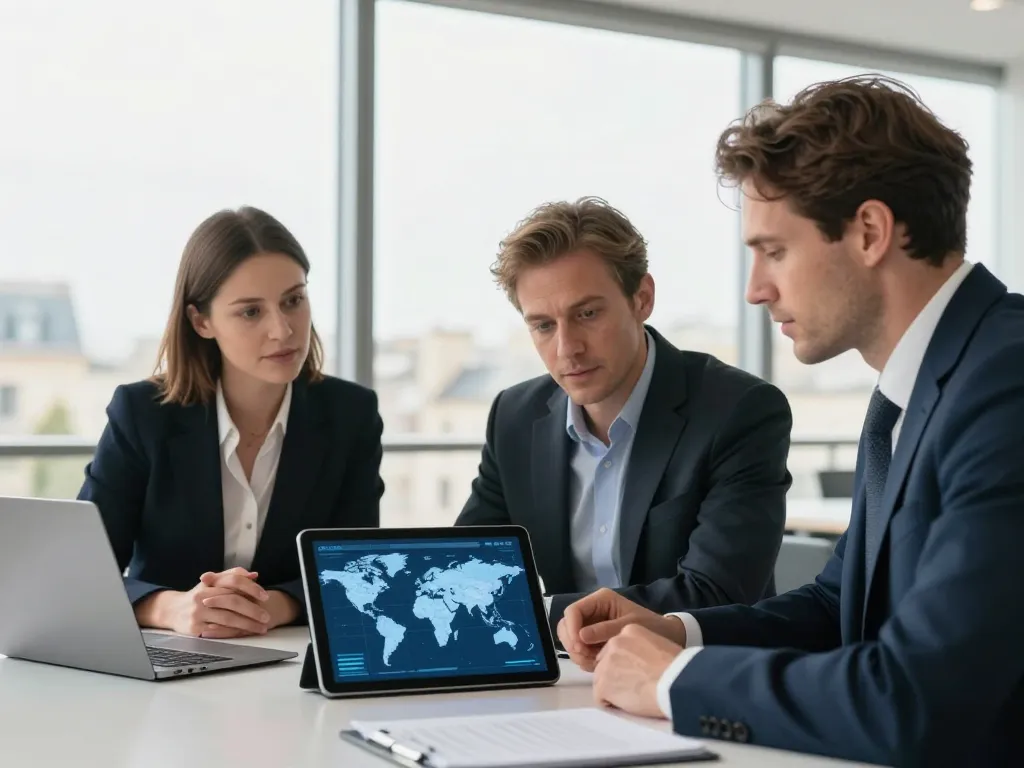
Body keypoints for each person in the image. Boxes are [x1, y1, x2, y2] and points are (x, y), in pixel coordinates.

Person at [557, 76, 1024, 766]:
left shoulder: (1004, 385)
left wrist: (673, 682)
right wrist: (676, 633)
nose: (755, 289)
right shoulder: (919, 384)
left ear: (869, 231)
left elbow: (921, 697)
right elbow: (839, 607)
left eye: (773, 250)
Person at [455, 197, 793, 629]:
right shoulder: (515, 417)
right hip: (561, 678)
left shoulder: (738, 411)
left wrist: (535, 612)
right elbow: (463, 572)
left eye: (588, 313)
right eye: (543, 325)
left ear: (642, 298)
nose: (567, 348)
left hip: (689, 675)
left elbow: (716, 594)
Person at [78, 206, 384, 639]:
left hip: (286, 662)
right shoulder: (142, 413)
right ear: (201, 321)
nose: (283, 330)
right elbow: (82, 569)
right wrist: (170, 608)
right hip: (166, 661)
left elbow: (358, 565)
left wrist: (273, 605)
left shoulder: (351, 414)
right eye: (251, 312)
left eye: (293, 301)